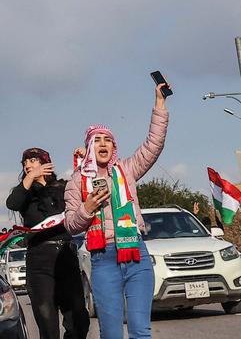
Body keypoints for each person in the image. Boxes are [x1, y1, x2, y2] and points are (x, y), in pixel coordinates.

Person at [64, 82, 171, 339]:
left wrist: (160, 103)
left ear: (114, 147)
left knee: (140, 331)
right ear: (89, 147)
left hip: (136, 254)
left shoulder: (126, 170)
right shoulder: (77, 180)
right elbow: (70, 224)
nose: (103, 144)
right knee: (111, 333)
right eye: (97, 140)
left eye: (108, 140)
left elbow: (153, 145)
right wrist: (87, 208)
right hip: (103, 260)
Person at [6, 148, 90, 339]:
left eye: (33, 161)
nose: (27, 165)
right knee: (47, 324)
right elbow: (12, 203)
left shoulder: (63, 187)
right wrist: (30, 177)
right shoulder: (24, 194)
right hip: (39, 261)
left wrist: (87, 159)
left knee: (79, 319)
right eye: (24, 163)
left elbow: (86, 189)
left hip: (65, 256)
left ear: (46, 163)